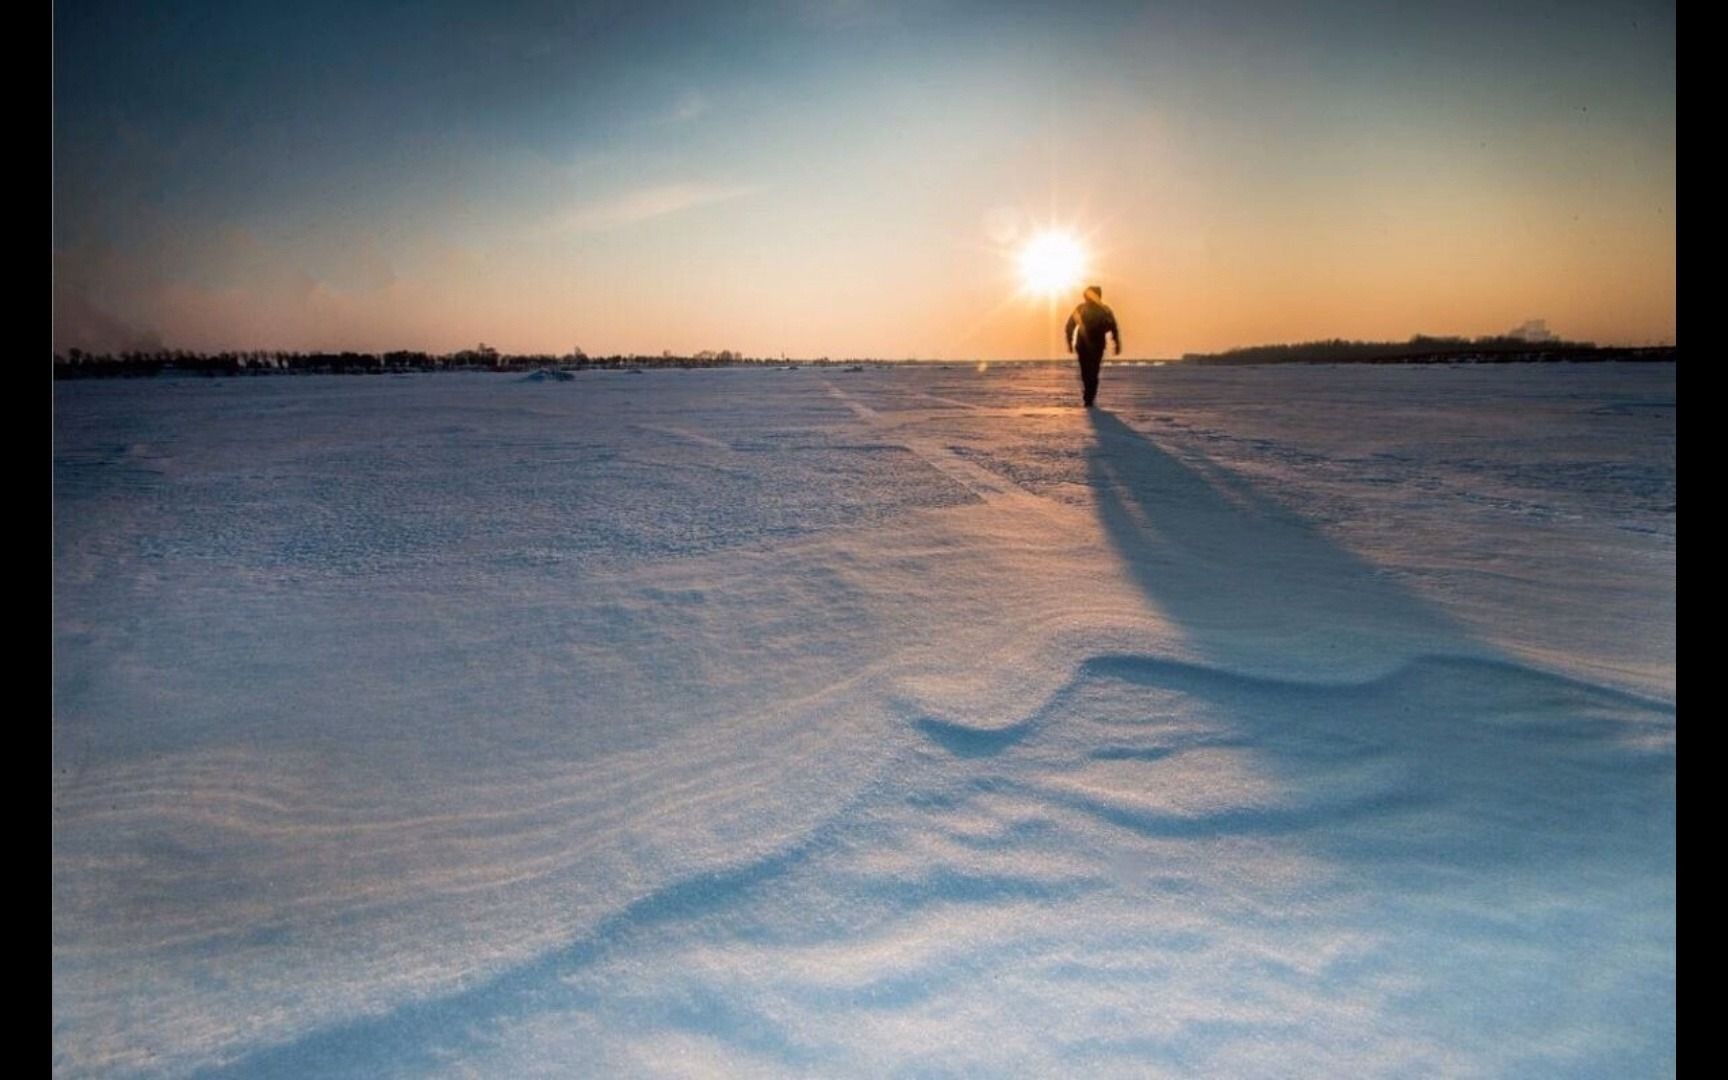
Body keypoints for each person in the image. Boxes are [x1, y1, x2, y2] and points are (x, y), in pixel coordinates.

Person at [1064, 285, 1120, 407]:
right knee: (1086, 372)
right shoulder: (1081, 308)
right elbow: (1070, 325)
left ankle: (1089, 396)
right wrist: (1069, 341)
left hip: (1097, 345)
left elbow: (1113, 327)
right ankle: (1089, 395)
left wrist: (1116, 342)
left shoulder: (1104, 310)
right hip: (1083, 345)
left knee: (1093, 372)